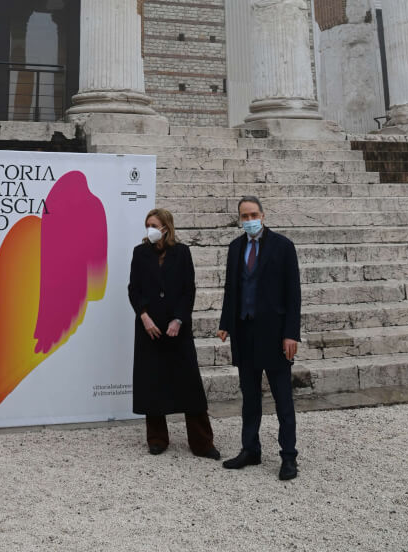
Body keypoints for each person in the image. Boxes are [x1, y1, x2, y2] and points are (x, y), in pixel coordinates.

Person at [217, 195, 301, 480]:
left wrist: (291, 334)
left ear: (263, 215)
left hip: (275, 335)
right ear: (239, 219)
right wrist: (225, 323)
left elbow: (293, 293)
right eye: (245, 216)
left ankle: (288, 456)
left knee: (282, 399)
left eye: (254, 215)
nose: (250, 220)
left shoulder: (283, 246)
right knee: (250, 397)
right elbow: (231, 288)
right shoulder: (235, 247)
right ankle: (250, 449)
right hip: (244, 331)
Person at [128, 207, 219, 459]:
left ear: (166, 227)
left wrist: (179, 319)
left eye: (154, 225)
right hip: (149, 329)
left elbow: (188, 289)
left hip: (177, 328)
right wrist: (144, 316)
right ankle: (157, 439)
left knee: (189, 384)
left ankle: (202, 443)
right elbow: (133, 289)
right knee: (152, 381)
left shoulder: (182, 252)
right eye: (148, 224)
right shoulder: (140, 253)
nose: (150, 229)